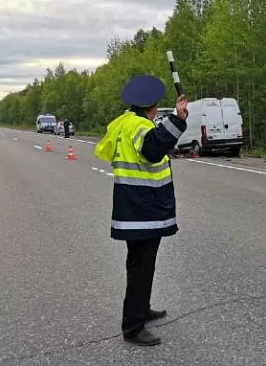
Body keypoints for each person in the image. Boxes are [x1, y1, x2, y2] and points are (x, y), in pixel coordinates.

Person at [94, 75, 188, 346]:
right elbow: (153, 149)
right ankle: (133, 326)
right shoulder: (138, 126)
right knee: (141, 266)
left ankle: (141, 309)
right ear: (153, 106)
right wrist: (179, 119)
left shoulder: (124, 122)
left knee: (141, 264)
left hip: (134, 207)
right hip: (143, 208)